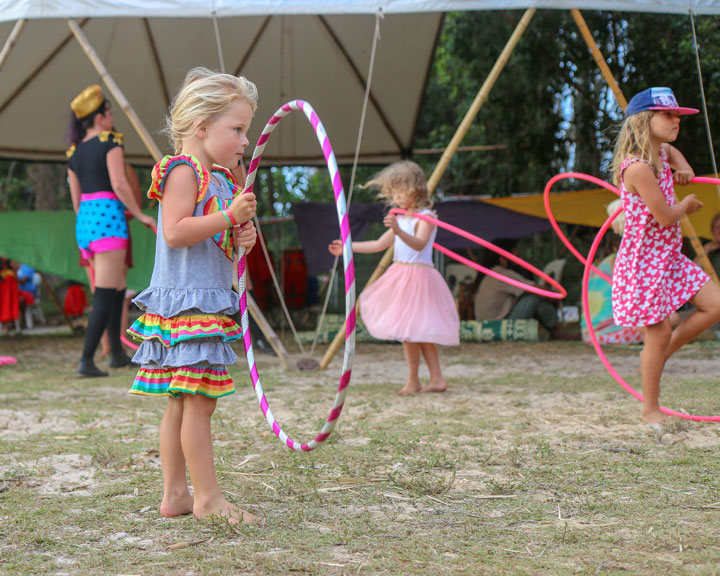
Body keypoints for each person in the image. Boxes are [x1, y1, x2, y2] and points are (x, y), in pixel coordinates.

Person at [126, 67, 259, 524]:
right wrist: (228, 218)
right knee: (198, 400)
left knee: (182, 400)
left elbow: (220, 237)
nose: (245, 141)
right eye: (237, 129)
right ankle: (206, 500)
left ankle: (177, 495)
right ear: (202, 127)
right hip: (190, 303)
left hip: (204, 297)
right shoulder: (183, 172)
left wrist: (242, 235)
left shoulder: (221, 179)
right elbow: (177, 231)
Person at [611, 87, 720, 427]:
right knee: (655, 335)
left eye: (678, 116)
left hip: (669, 257)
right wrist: (686, 204)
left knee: (715, 305)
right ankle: (650, 410)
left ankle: (659, 355)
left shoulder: (661, 152)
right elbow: (665, 217)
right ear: (645, 120)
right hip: (644, 262)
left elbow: (672, 152)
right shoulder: (637, 168)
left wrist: (684, 166)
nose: (676, 121)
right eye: (668, 115)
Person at [328, 161, 459, 395]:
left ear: (415, 189)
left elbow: (419, 245)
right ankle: (434, 378)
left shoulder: (426, 216)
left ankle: (416, 380)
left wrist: (399, 230)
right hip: (401, 276)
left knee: (412, 332)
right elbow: (379, 244)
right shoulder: (402, 217)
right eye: (393, 193)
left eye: (400, 191)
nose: (396, 197)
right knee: (415, 331)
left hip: (419, 277)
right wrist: (348, 247)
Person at [67, 85, 156, 377]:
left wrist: (87, 223)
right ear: (101, 117)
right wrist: (141, 214)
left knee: (117, 287)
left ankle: (117, 354)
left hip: (86, 222)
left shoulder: (74, 152)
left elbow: (76, 198)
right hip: (108, 219)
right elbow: (119, 184)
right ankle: (86, 360)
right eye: (109, 112)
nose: (112, 117)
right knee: (105, 294)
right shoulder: (111, 142)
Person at [473, 241, 561, 337]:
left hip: (486, 325)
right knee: (533, 297)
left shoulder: (492, 273)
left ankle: (555, 330)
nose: (519, 262)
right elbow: (537, 290)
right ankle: (556, 331)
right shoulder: (504, 274)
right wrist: (555, 297)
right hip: (498, 326)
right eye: (516, 258)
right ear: (503, 259)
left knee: (531, 296)